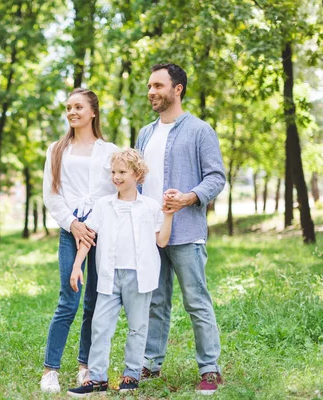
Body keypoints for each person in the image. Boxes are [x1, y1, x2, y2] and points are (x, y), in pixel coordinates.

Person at [136, 63, 226, 395]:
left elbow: (216, 177)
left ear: (178, 89)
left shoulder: (200, 130)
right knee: (155, 301)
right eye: (149, 86)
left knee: (196, 301)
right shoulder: (145, 134)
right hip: (150, 233)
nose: (151, 92)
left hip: (187, 232)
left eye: (158, 85)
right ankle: (151, 363)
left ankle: (210, 369)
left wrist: (188, 198)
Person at [66, 149, 174, 398]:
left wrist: (168, 214)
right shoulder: (104, 205)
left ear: (137, 174)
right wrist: (76, 266)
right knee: (100, 327)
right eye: (113, 172)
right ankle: (97, 379)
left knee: (137, 327)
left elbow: (162, 241)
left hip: (140, 276)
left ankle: (131, 375)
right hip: (108, 275)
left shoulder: (150, 206)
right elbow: (88, 237)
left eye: (122, 172)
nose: (116, 177)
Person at [40, 88, 119, 393]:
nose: (72, 112)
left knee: (94, 302)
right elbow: (52, 193)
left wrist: (93, 225)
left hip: (100, 234)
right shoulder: (57, 150)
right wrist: (73, 225)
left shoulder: (109, 150)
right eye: (69, 107)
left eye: (78, 107)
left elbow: (114, 190)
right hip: (70, 231)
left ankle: (85, 366)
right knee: (68, 300)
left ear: (93, 112)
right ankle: (50, 370)